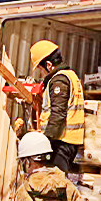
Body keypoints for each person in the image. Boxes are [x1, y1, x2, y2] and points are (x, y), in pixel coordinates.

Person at [28, 40, 85, 172]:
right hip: (67, 142)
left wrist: (45, 141)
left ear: (49, 65)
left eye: (41, 70)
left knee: (53, 183)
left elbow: (57, 114)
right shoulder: (71, 75)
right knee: (55, 181)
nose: (42, 74)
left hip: (61, 143)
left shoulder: (59, 80)